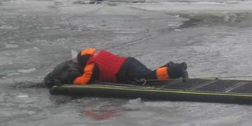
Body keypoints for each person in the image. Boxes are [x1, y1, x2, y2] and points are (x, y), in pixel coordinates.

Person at [44, 48, 188, 87]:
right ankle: (171, 66)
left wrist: (72, 81)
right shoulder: (96, 54)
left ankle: (176, 70)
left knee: (149, 77)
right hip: (129, 63)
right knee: (148, 74)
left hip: (126, 69)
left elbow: (84, 80)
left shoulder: (91, 65)